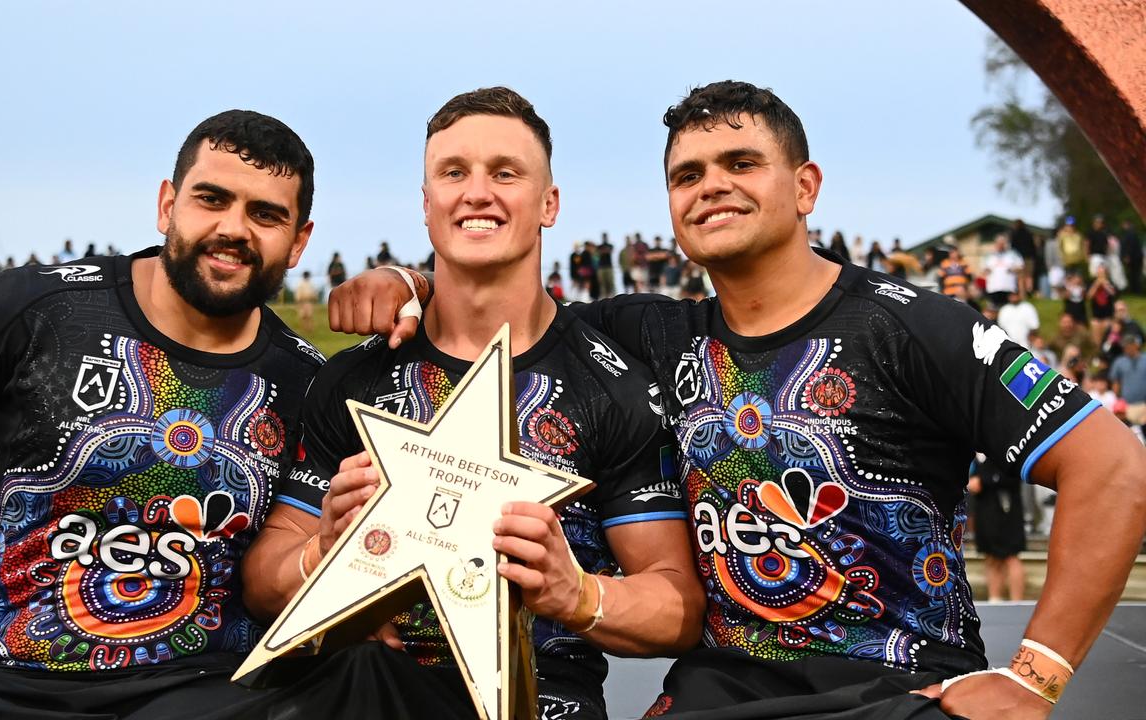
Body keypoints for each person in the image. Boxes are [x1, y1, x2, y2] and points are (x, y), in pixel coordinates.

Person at [335, 80, 1146, 719]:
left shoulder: (916, 328)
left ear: (805, 186)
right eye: (687, 175)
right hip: (717, 694)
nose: (711, 187)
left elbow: (1113, 465)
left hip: (897, 691)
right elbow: (503, 303)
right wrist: (405, 278)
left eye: (740, 164)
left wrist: (1035, 677)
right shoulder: (647, 335)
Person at [246, 87, 702, 720]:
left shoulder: (613, 383)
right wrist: (322, 554)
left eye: (505, 173)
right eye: (453, 172)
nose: (477, 192)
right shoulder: (353, 378)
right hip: (367, 691)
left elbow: (677, 603)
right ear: (426, 203)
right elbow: (264, 575)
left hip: (541, 700)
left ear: (549, 204)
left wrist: (577, 595)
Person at [0, 109, 326, 718]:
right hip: (0, 688)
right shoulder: (33, 305)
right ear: (167, 205)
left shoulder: (310, 381)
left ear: (299, 242)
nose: (233, 228)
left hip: (203, 695)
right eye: (211, 198)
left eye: (266, 214)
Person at [968, 455, 1027, 602]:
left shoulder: (1006, 450)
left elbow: (1012, 477)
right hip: (985, 511)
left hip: (1006, 510)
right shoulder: (977, 456)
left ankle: (1017, 602)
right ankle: (994, 599)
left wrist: (983, 481)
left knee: (1011, 556)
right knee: (991, 556)